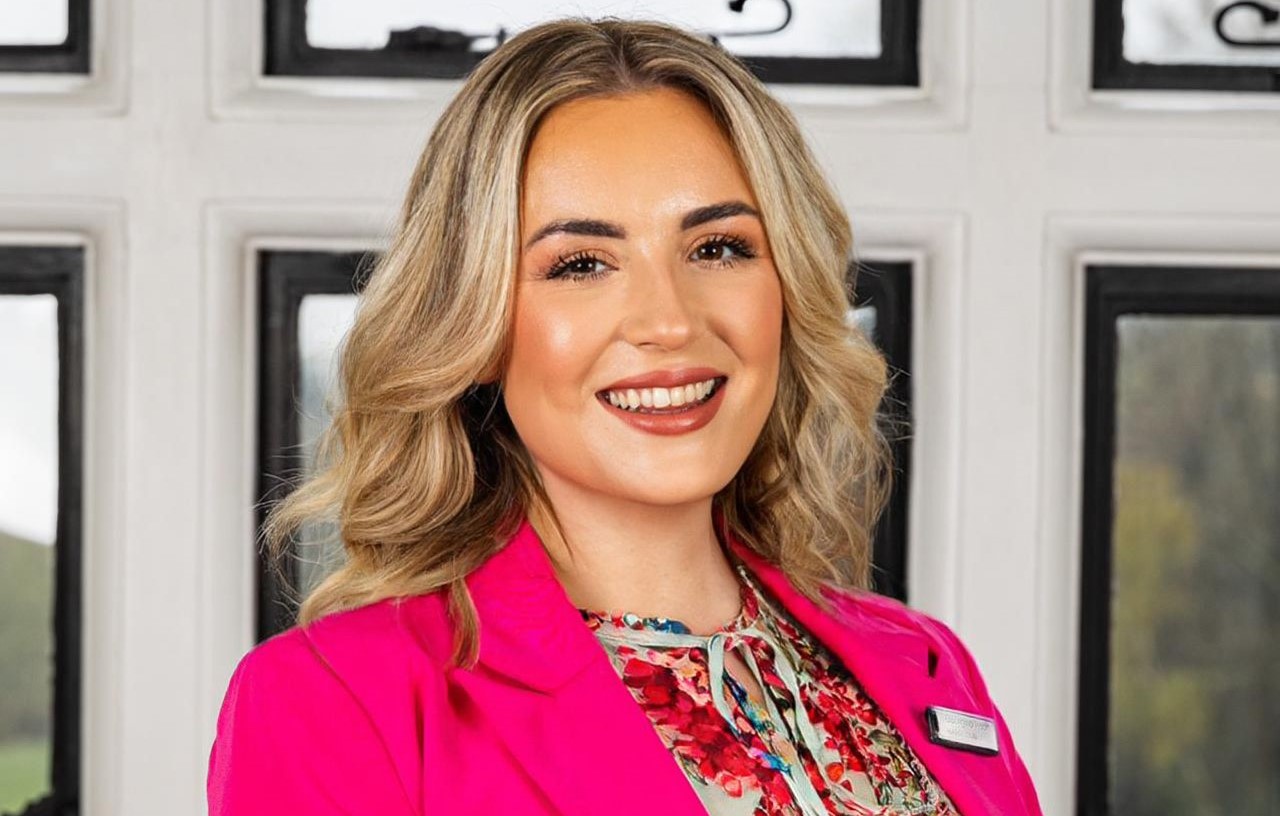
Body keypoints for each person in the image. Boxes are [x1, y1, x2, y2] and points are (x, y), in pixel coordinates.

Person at [207, 17, 1042, 816]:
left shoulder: (927, 663)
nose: (670, 322)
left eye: (718, 248)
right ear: (477, 325)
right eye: (580, 264)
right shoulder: (337, 703)